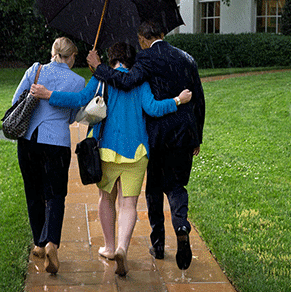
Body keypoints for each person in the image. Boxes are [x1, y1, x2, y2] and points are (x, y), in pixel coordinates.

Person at [30, 42, 192, 276]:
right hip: (136, 152)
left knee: (106, 198)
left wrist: (48, 95)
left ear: (111, 58)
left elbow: (79, 99)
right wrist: (178, 100)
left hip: (106, 149)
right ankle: (122, 248)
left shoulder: (101, 79)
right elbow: (153, 108)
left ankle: (108, 247)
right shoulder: (140, 81)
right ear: (131, 60)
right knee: (128, 203)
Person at [86, 20, 205, 271]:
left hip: (158, 134)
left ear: (142, 39)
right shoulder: (187, 59)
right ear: (163, 34)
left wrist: (98, 68)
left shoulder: (145, 58)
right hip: (185, 134)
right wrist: (197, 137)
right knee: (177, 185)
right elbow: (199, 100)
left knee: (154, 188)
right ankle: (181, 224)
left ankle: (158, 244)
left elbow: (126, 82)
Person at [12, 37, 86, 274]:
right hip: (57, 144)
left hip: (29, 141)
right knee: (55, 195)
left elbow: (16, 101)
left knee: (33, 192)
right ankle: (52, 242)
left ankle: (39, 243)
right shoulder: (78, 81)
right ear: (71, 56)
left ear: (53, 52)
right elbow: (73, 116)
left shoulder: (35, 70)